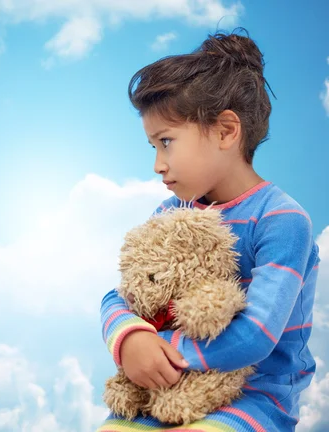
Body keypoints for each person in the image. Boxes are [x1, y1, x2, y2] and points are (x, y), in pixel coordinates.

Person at [99, 28, 320, 432]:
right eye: (153, 147)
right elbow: (122, 294)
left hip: (256, 396)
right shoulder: (170, 213)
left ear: (225, 131)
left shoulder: (283, 221)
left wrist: (160, 349)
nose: (158, 165)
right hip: (165, 391)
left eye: (166, 141)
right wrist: (129, 339)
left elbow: (255, 335)